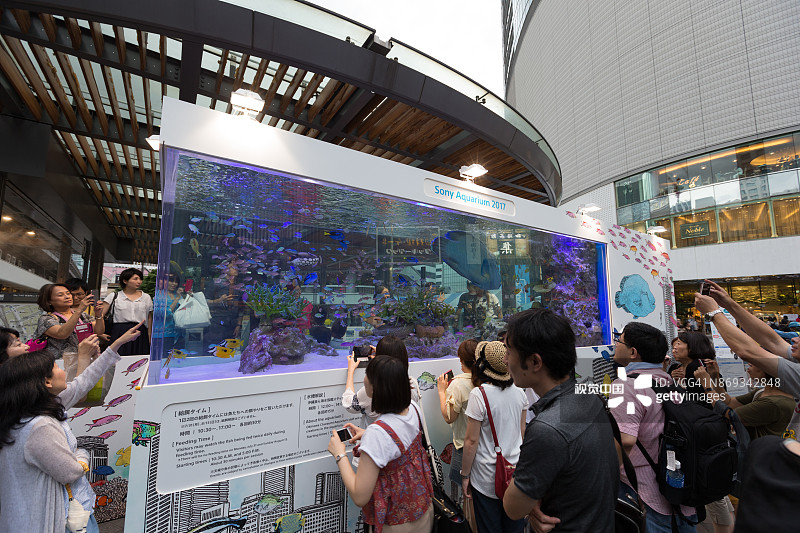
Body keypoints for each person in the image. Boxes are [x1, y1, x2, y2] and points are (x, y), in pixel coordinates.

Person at [0, 323, 142, 532]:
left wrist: (116, 345)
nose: (62, 371)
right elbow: (70, 471)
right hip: (60, 515)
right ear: (45, 382)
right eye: (56, 367)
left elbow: (82, 383)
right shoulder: (39, 424)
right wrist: (81, 454)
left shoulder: (21, 408)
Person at [502, 308, 618, 533]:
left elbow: (513, 507)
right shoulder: (590, 398)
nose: (505, 360)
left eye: (509, 351)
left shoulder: (547, 429)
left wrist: (531, 499)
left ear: (535, 362)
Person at [328, 355, 434, 532]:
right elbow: (401, 444)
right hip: (422, 510)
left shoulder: (379, 433)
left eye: (368, 374)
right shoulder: (413, 407)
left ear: (376, 387)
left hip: (396, 523)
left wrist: (339, 454)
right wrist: (367, 433)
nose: (365, 378)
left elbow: (360, 496)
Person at [611, 322, 698, 532]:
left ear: (633, 352)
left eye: (619, 341)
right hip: (679, 486)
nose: (615, 345)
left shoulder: (627, 385)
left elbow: (626, 440)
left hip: (642, 490)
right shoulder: (668, 382)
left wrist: (602, 477)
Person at [694, 279, 800, 439]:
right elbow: (770, 339)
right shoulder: (762, 392)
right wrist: (729, 304)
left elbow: (748, 351)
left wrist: (713, 313)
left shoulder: (775, 400)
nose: (794, 339)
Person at [460, 340, 527, 533]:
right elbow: (521, 433)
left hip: (486, 476)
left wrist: (465, 475)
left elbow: (471, 441)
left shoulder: (479, 395)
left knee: (489, 527)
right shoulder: (519, 392)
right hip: (514, 471)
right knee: (514, 525)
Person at [342, 335, 421, 429]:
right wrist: (381, 354)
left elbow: (349, 404)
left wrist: (350, 371)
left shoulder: (373, 391)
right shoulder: (412, 384)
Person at [436, 338, 477, 500]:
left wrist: (441, 392)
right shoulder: (485, 380)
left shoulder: (458, 385)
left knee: (465, 495)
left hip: (463, 447)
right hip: (484, 446)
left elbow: (449, 417)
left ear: (461, 359)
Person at [34, 283, 103, 361]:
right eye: (60, 295)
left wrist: (99, 315)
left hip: (84, 359)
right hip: (60, 363)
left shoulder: (83, 316)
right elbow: (62, 334)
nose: (67, 297)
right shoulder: (46, 319)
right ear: (49, 301)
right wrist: (79, 310)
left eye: (68, 293)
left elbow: (99, 331)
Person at [100, 268, 153, 356]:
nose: (139, 281)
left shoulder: (146, 297)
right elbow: (100, 315)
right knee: (119, 361)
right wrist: (100, 334)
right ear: (125, 281)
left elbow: (149, 318)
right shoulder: (114, 296)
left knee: (138, 362)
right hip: (119, 332)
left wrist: (149, 337)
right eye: (135, 279)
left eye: (140, 279)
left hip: (140, 332)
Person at [669, 331, 715, 407]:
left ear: (692, 347)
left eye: (678, 343)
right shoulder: (674, 368)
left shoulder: (702, 368)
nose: (674, 348)